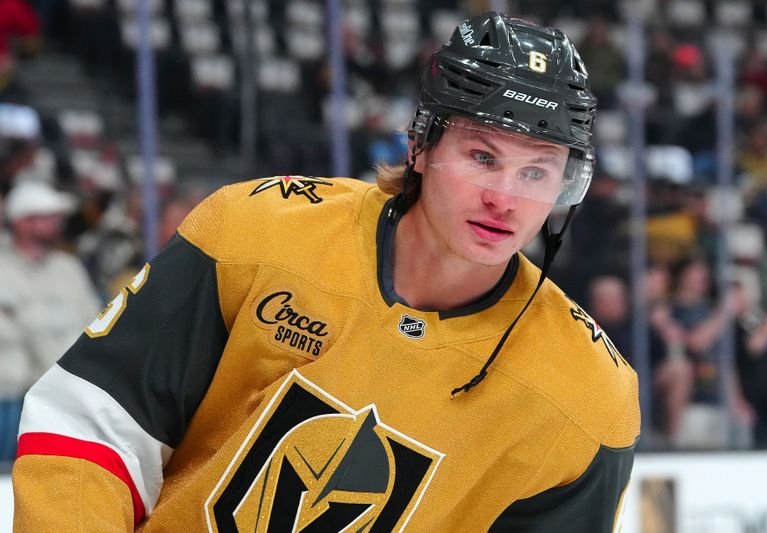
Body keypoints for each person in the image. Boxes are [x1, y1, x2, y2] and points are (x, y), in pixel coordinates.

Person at [13, 12, 640, 531]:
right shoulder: (260, 233)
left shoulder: (584, 399)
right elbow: (94, 426)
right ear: (421, 146)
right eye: (482, 155)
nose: (505, 197)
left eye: (537, 171)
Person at [0, 179, 100, 462]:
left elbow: (95, 324)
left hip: (67, 397)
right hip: (9, 397)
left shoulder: (69, 269)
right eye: (47, 217)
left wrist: (24, 316)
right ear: (23, 222)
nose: (57, 223)